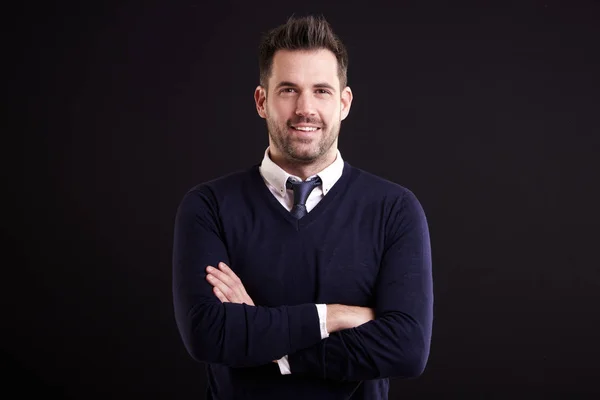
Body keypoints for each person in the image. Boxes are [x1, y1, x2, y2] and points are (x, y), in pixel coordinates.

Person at [172, 15, 433, 400]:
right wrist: (336, 316)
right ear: (262, 101)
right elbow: (209, 335)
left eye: (322, 91)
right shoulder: (209, 207)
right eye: (289, 90)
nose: (305, 108)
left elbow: (408, 348)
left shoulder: (394, 209)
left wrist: (263, 338)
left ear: (344, 103)